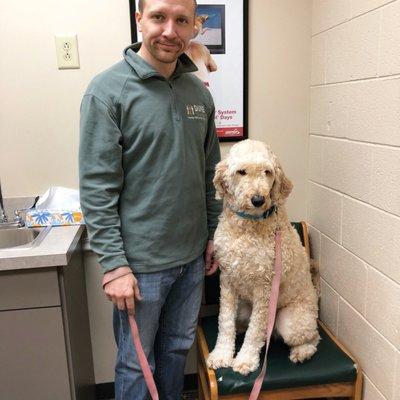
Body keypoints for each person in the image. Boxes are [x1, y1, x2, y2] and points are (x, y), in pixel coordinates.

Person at [78, 0, 221, 398]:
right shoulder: (107, 91)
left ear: (194, 26)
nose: (170, 31)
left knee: (176, 352)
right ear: (140, 19)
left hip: (191, 258)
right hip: (139, 267)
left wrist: (213, 234)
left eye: (181, 20)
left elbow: (210, 174)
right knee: (136, 364)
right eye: (159, 17)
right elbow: (97, 188)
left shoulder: (198, 93)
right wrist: (114, 267)